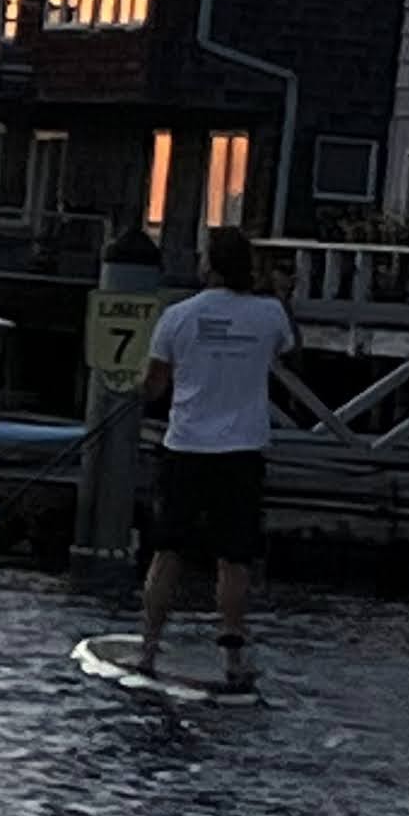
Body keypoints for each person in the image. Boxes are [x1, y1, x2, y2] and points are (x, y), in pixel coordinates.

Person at [137, 223, 295, 684]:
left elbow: (154, 386)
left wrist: (135, 390)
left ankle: (148, 649)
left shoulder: (178, 316)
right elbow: (291, 348)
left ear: (208, 265)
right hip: (242, 451)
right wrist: (277, 294)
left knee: (168, 550)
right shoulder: (269, 314)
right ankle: (232, 656)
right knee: (234, 558)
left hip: (186, 447)